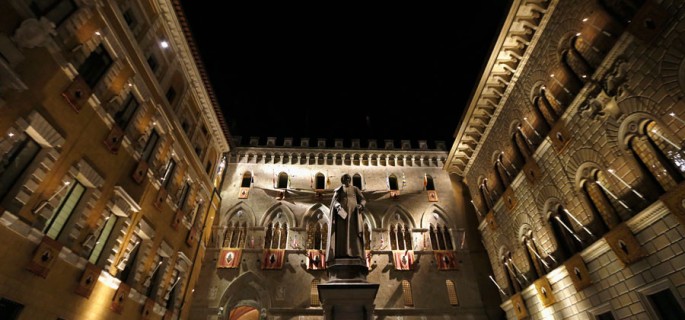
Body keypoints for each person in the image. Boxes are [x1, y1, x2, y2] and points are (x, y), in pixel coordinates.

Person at [326, 173, 366, 264]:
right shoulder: (338, 190)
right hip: (342, 216)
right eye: (345, 179)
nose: (347, 180)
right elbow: (334, 201)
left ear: (350, 180)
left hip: (353, 215)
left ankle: (355, 253)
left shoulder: (355, 189)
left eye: (348, 178)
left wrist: (361, 205)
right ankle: (341, 253)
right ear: (342, 180)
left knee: (354, 233)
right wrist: (337, 205)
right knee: (342, 234)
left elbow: (363, 199)